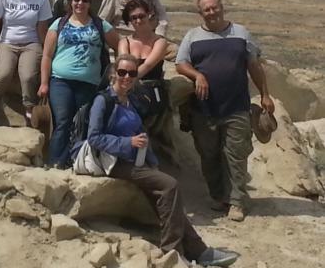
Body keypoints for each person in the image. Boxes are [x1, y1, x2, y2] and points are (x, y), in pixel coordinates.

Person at [72, 54, 239, 267]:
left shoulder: (129, 101)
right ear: (114, 73)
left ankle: (199, 250)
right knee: (170, 185)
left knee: (166, 198)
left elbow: (140, 134)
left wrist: (150, 160)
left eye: (132, 73)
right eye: (122, 72)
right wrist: (128, 142)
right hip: (112, 161)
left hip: (134, 160)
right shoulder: (103, 100)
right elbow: (94, 137)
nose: (127, 77)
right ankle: (173, 252)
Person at [176, 0, 275, 222]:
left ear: (222, 7)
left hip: (236, 106)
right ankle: (219, 196)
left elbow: (254, 65)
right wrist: (197, 75)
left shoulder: (241, 33)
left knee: (236, 154)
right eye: (206, 9)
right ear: (200, 13)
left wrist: (265, 94)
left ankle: (237, 201)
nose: (212, 12)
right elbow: (181, 64)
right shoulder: (192, 36)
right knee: (208, 154)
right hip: (203, 109)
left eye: (214, 7)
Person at [39, 0, 119, 167]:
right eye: (76, 0)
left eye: (84, 0)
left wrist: (117, 68)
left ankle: (74, 161)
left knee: (80, 122)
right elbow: (47, 55)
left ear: (90, 4)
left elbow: (120, 42)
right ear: (71, 2)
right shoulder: (59, 23)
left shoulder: (100, 25)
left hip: (88, 83)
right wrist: (44, 83)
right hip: (60, 80)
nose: (80, 3)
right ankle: (55, 162)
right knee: (63, 120)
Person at [118, 0, 176, 164]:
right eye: (133, 18)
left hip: (151, 89)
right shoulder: (125, 42)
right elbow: (123, 64)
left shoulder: (160, 42)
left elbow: (149, 65)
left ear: (149, 14)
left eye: (141, 16)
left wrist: (129, 80)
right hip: (129, 87)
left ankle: (145, 159)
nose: (138, 20)